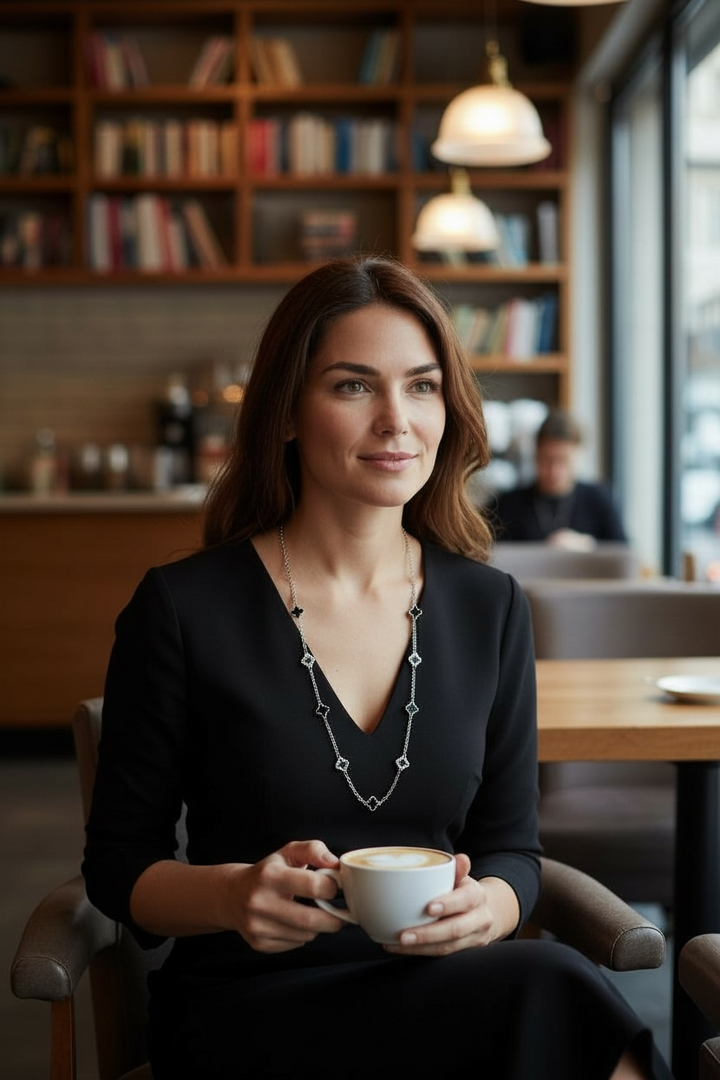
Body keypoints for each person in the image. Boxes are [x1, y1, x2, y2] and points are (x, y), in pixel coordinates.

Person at [82, 256, 670, 1080]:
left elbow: (511, 850)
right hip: (247, 1009)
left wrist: (489, 909)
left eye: (422, 386)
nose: (397, 420)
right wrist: (228, 896)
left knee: (558, 993)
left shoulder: (490, 606)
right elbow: (118, 868)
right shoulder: (182, 608)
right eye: (354, 386)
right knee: (560, 996)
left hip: (441, 983)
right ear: (287, 412)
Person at [493, 408, 628, 548]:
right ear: (536, 455)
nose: (554, 471)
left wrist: (588, 544)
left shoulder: (600, 500)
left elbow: (623, 553)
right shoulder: (509, 504)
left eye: (563, 461)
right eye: (547, 460)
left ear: (578, 456)